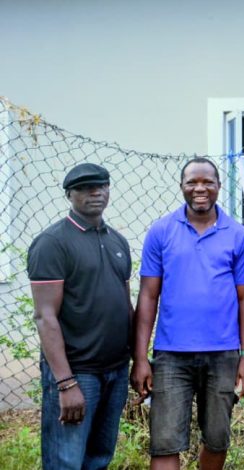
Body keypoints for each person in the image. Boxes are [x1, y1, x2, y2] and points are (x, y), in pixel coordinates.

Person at [131, 157, 244, 470]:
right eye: (192, 182)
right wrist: (141, 357)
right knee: (164, 441)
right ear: (182, 187)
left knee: (217, 439)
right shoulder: (161, 231)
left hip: (223, 355)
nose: (200, 188)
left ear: (218, 187)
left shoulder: (238, 235)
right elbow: (148, 296)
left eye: (207, 182)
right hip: (171, 356)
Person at [29, 163, 133, 469]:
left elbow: (125, 304)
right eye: (86, 188)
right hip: (78, 373)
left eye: (102, 186)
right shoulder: (52, 243)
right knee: (66, 462)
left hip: (115, 370)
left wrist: (136, 359)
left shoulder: (117, 241)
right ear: (69, 195)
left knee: (99, 458)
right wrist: (65, 382)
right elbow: (45, 317)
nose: (96, 193)